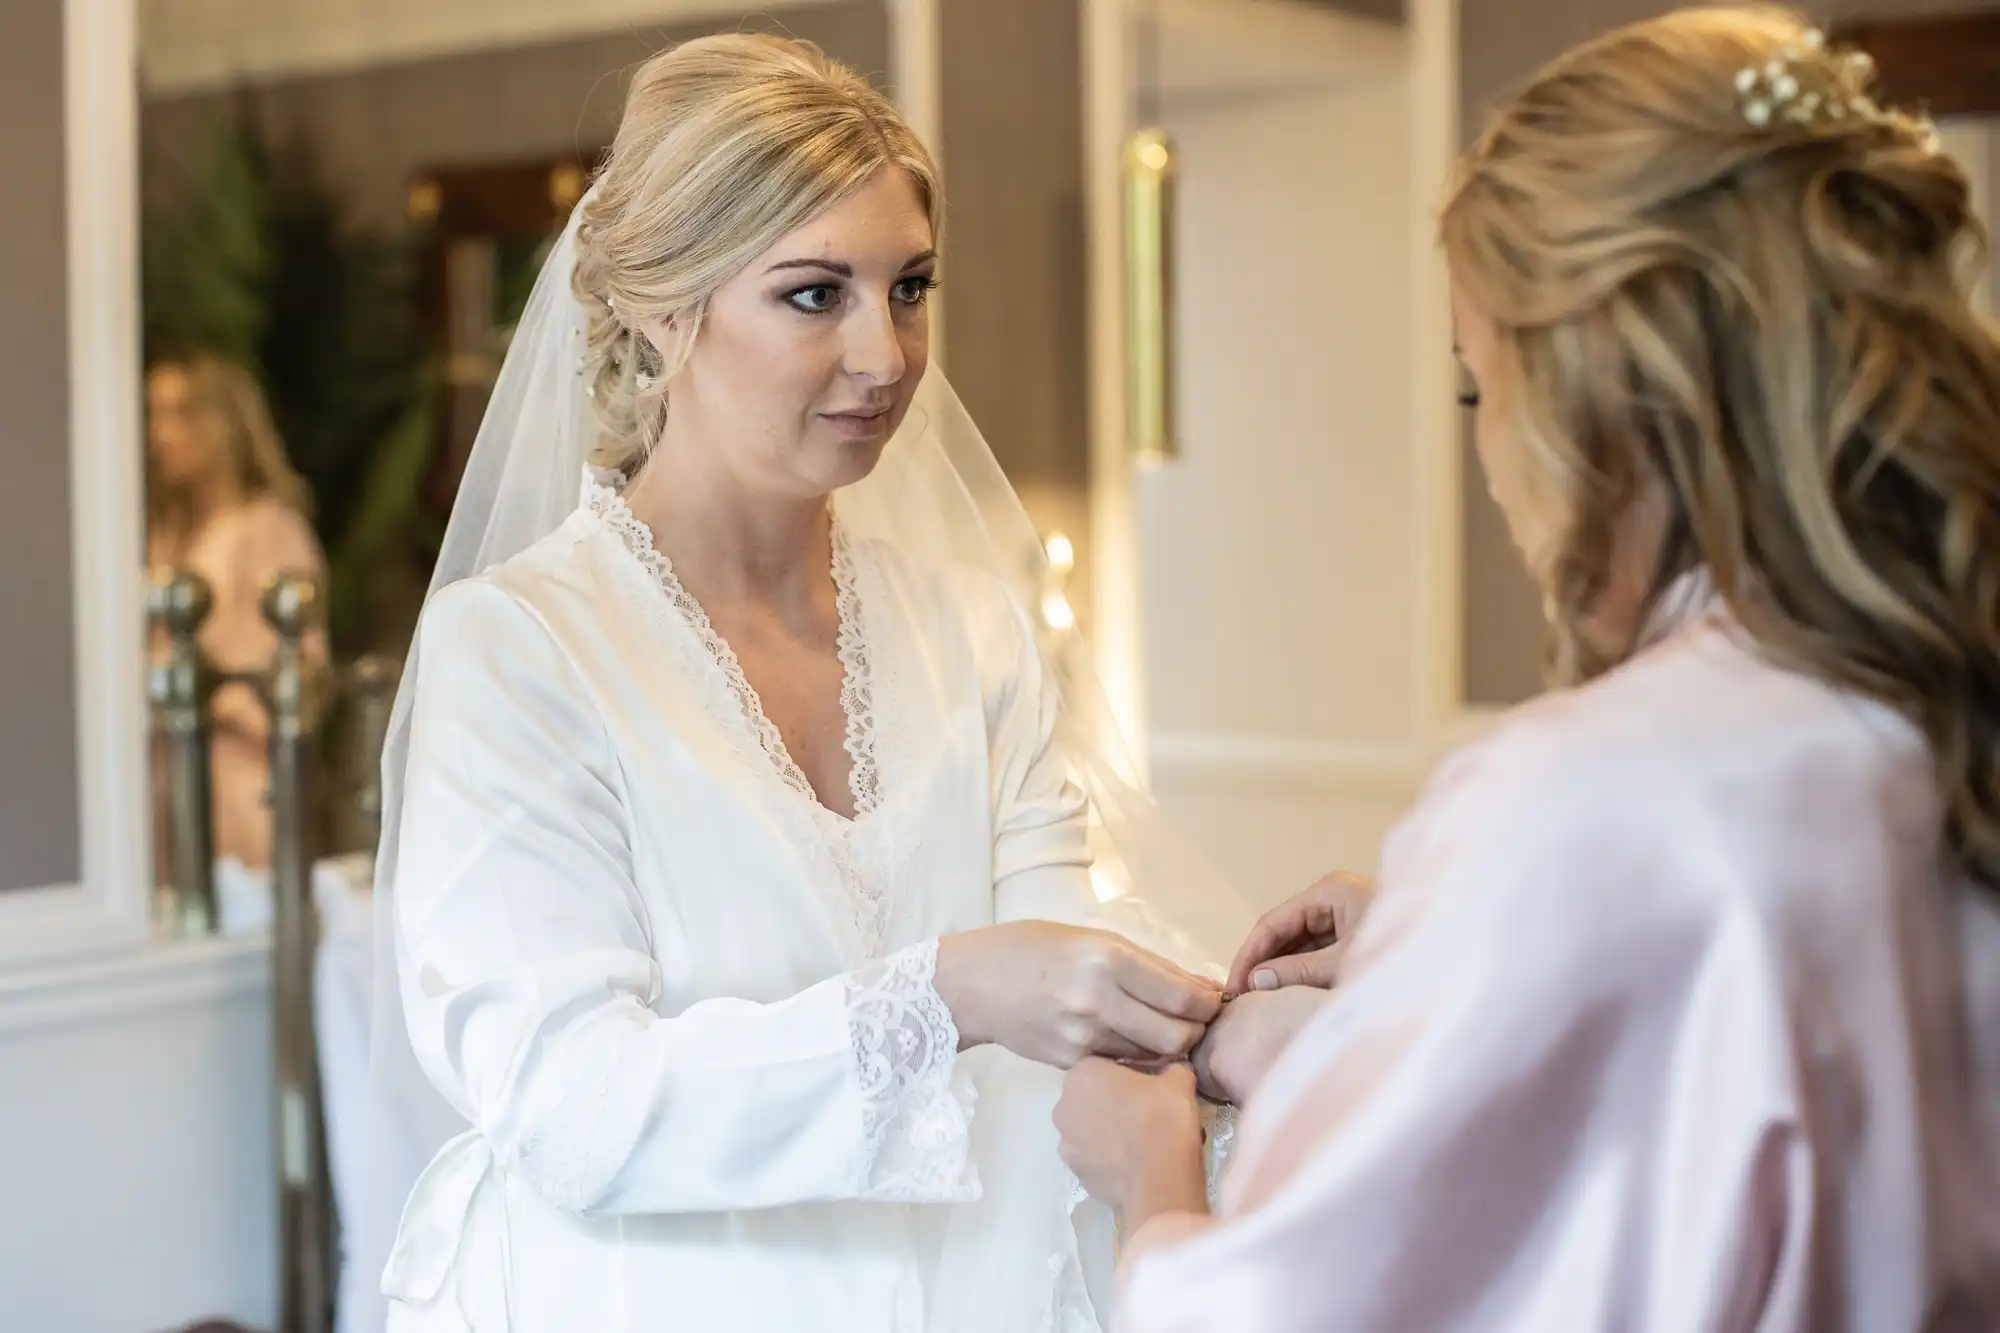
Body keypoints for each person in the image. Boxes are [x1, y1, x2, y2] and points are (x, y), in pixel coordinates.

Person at [1055, 9, 2000, 1329]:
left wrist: (1143, 1171)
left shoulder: (1595, 791)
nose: (1490, 454)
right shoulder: (1931, 694)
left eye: (1478, 388)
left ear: (1600, 381)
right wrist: (1430, 950)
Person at [362, 34, 1247, 1333]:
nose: (885, 357)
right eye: (816, 294)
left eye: (910, 286)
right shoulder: (518, 654)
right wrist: (948, 991)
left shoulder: (971, 627)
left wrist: (1234, 1021)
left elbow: (1070, 954)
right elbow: (573, 1103)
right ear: (667, 313)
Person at [146, 351, 326, 872]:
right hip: (162, 778)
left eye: (179, 412)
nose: (160, 433)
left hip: (242, 779)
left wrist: (199, 684)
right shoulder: (157, 532)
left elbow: (301, 670)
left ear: (222, 422)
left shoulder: (268, 528)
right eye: (152, 414)